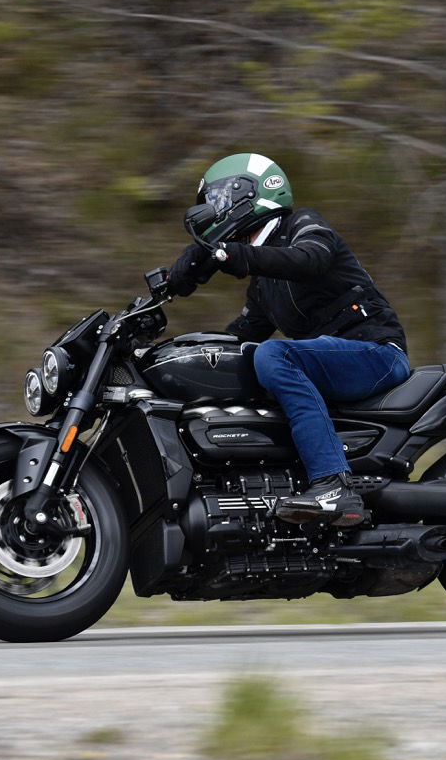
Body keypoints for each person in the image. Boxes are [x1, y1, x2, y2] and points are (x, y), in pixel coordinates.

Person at [166, 153, 410, 527]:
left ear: (246, 194)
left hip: (376, 353)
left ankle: (332, 485)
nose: (213, 210)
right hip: (331, 362)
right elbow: (240, 337)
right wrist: (186, 355)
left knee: (273, 355)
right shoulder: (263, 285)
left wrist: (235, 253)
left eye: (217, 200)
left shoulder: (304, 225)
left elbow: (309, 259)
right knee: (241, 362)